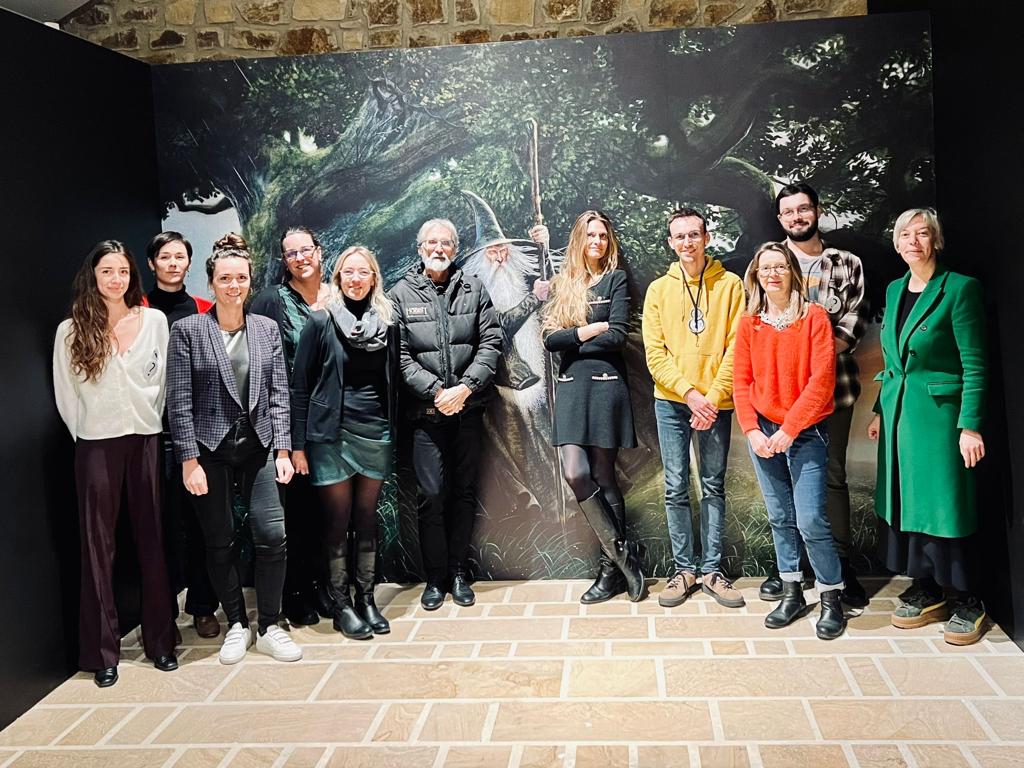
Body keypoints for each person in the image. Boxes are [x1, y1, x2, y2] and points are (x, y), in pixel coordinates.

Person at [167, 233, 301, 664]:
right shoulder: (188, 331)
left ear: (249, 280)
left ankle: (269, 626)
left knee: (272, 534)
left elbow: (280, 392)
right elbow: (179, 400)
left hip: (260, 446)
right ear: (211, 284)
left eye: (240, 278)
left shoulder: (265, 329)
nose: (233, 285)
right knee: (218, 539)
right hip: (209, 450)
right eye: (224, 278)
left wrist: (283, 450)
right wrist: (189, 460)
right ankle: (238, 624)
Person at [53, 240, 178, 687]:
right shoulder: (71, 331)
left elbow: (161, 385)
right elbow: (67, 399)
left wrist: (148, 423)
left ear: (132, 276)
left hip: (145, 440)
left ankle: (161, 642)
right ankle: (102, 652)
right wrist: (91, 434)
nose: (115, 279)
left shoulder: (154, 321)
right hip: (95, 446)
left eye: (122, 271)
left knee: (152, 541)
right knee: (97, 548)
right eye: (107, 271)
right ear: (93, 275)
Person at [867, 208, 988, 645]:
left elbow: (975, 363)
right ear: (897, 243)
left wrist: (970, 426)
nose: (913, 241)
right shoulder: (896, 289)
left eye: (922, 234)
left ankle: (969, 599)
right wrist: (880, 409)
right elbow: (892, 360)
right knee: (908, 503)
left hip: (939, 420)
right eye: (905, 235)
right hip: (900, 416)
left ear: (935, 240)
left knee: (945, 505)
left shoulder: (960, 289)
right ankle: (926, 587)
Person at [759, 183, 869, 607]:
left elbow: (854, 323)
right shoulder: (771, 264)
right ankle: (793, 568)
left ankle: (840, 570)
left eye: (803, 209)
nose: (797, 217)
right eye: (788, 212)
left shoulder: (847, 264)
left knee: (832, 478)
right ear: (780, 218)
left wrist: (813, 359)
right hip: (778, 400)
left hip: (834, 392)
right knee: (783, 484)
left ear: (817, 211)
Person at [733, 242, 845, 640]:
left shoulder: (814, 317)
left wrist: (789, 429)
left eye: (780, 266)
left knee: (811, 518)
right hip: (763, 431)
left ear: (792, 271)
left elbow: (821, 382)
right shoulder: (749, 322)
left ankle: (831, 596)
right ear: (756, 275)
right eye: (766, 269)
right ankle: (792, 589)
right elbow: (741, 381)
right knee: (780, 517)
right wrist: (751, 430)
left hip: (805, 431)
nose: (773, 274)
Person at [390, 218, 502, 610]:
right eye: (431, 243)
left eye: (446, 244)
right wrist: (437, 392)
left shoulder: (474, 288)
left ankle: (458, 572)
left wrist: (465, 388)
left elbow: (491, 342)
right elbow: (400, 356)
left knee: (464, 492)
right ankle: (434, 578)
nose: (439, 249)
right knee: (432, 495)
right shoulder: (400, 293)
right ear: (419, 248)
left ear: (455, 249)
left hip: (468, 411)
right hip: (426, 415)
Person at [291, 246, 398, 639]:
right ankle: (341, 605)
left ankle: (367, 599)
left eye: (363, 272)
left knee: (367, 520)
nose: (356, 279)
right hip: (330, 436)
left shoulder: (387, 324)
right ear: (338, 278)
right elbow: (299, 386)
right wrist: (298, 445)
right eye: (348, 272)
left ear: (374, 277)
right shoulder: (319, 322)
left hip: (376, 431)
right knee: (336, 523)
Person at [642, 208, 745, 609]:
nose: (687, 242)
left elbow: (738, 347)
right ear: (670, 242)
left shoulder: (731, 285)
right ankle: (684, 570)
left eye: (694, 235)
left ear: (706, 237)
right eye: (679, 236)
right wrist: (689, 394)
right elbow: (655, 353)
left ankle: (712, 571)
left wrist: (713, 396)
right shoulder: (658, 290)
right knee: (675, 487)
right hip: (672, 401)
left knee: (714, 485)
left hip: (717, 403)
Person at [542, 210, 645, 602]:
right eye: (590, 236)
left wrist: (573, 339)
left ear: (609, 241)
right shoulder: (564, 283)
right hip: (570, 388)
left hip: (605, 386)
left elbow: (617, 336)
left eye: (603, 236)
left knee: (604, 476)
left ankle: (610, 572)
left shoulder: (616, 279)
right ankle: (625, 559)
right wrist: (587, 330)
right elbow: (550, 341)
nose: (597, 242)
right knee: (575, 472)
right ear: (579, 241)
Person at [251, 227, 332, 626]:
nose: (301, 258)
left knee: (329, 513)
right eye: (291, 253)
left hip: (335, 422)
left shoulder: (338, 294)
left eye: (306, 250)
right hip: (291, 422)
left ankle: (325, 589)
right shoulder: (271, 301)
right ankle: (295, 593)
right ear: (284, 261)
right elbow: (262, 365)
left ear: (319, 252)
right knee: (296, 512)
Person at [143, 231, 220, 640]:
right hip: (150, 433)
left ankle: (203, 606)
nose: (173, 263)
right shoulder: (136, 310)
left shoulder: (205, 310)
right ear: (152, 263)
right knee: (158, 524)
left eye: (180, 257)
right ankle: (161, 610)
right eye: (165, 256)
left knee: (200, 523)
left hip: (195, 432)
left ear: (189, 264)